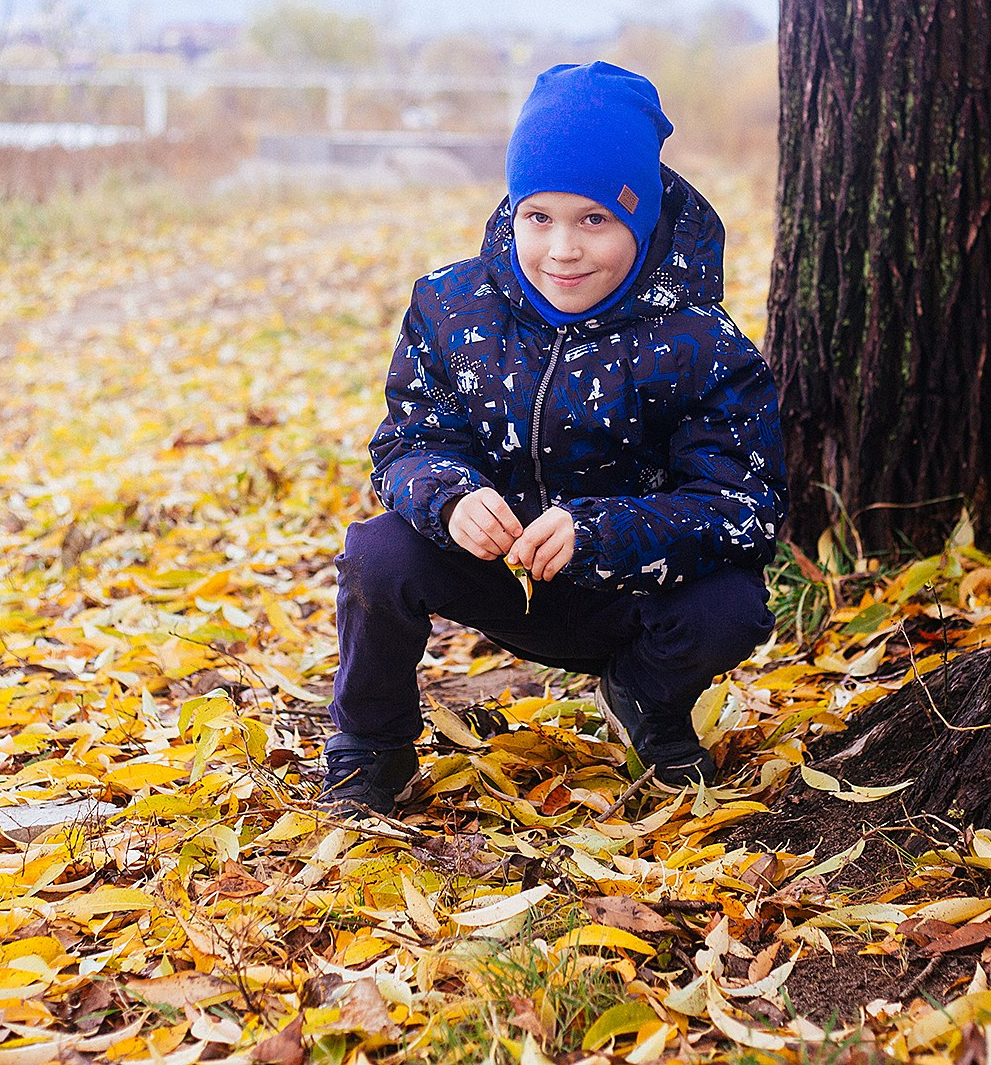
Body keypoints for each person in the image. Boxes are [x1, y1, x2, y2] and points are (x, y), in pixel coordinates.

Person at [320, 60, 788, 816]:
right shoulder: (450, 306)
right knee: (376, 552)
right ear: (513, 209)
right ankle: (371, 743)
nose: (562, 249)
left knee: (732, 605)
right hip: (496, 569)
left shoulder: (701, 341)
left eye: (594, 219)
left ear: (638, 217)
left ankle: (642, 693)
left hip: (627, 591)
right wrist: (452, 497)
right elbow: (409, 439)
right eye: (540, 217)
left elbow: (743, 504)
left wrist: (600, 531)